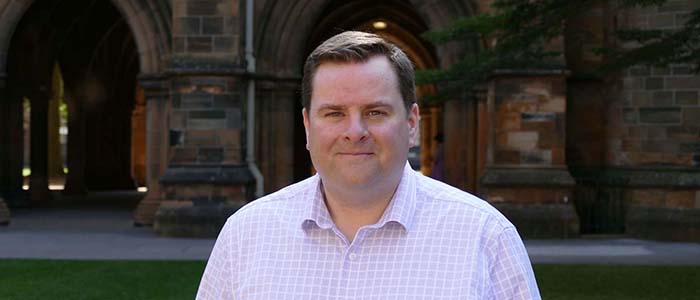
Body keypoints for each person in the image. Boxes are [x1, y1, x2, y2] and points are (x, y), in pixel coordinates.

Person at [196, 31, 540, 299]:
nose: (355, 132)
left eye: (375, 112)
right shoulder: (246, 234)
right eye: (334, 113)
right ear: (307, 125)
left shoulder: (485, 236)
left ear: (411, 123)